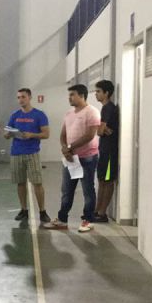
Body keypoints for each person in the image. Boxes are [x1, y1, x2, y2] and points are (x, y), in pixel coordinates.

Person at [44, 84, 100, 232]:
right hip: (71, 159)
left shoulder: (92, 112)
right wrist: (65, 148)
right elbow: (63, 134)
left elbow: (90, 135)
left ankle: (88, 220)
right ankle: (62, 219)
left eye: (72, 95)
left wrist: (70, 147)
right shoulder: (69, 113)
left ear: (82, 95)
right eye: (69, 95)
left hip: (87, 158)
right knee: (67, 190)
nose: (69, 98)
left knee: (88, 190)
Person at [4, 89, 51, 223]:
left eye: (23, 97)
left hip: (32, 153)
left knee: (37, 183)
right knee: (20, 183)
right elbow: (6, 133)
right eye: (18, 97)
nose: (21, 100)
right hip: (16, 153)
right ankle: (24, 210)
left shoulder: (39, 115)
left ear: (30, 97)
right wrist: (8, 134)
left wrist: (32, 135)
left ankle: (42, 211)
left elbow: (46, 134)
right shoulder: (14, 115)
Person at [94, 80, 119, 222]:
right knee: (101, 180)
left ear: (106, 93)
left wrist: (102, 129)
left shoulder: (109, 108)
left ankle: (102, 214)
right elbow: (102, 130)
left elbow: (100, 131)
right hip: (104, 151)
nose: (96, 94)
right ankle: (97, 211)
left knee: (108, 181)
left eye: (98, 91)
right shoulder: (104, 108)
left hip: (110, 152)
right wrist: (103, 129)